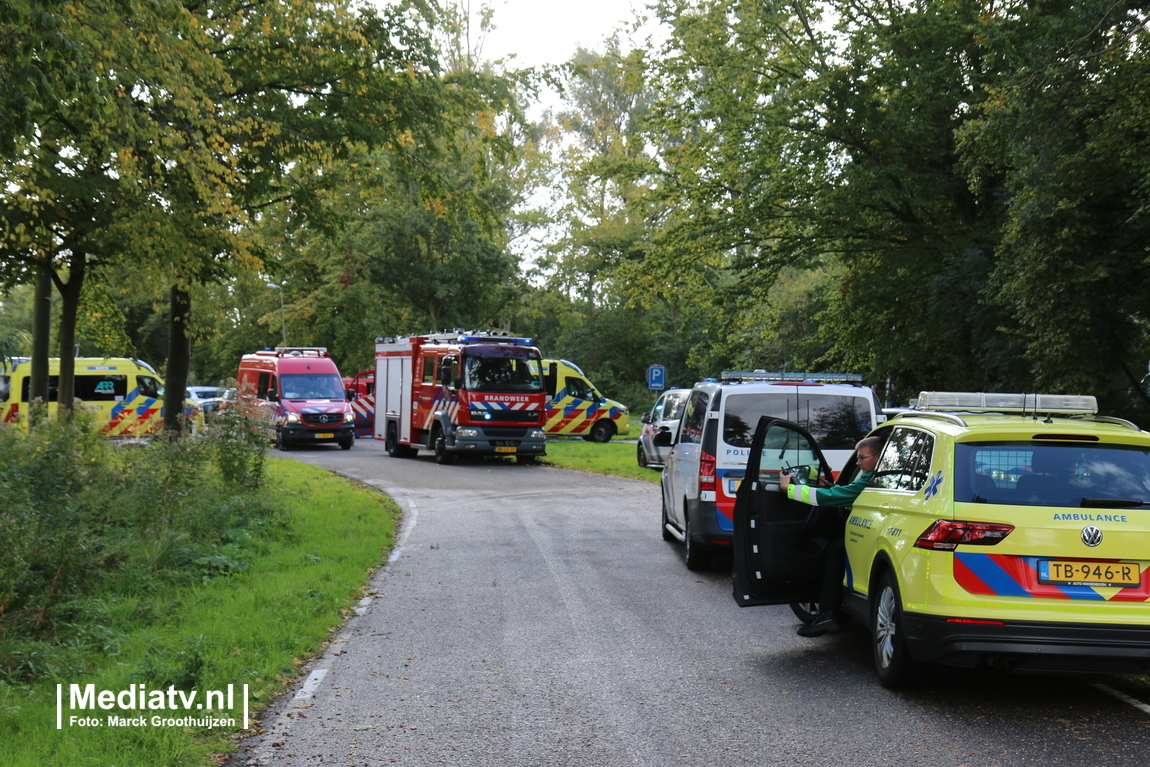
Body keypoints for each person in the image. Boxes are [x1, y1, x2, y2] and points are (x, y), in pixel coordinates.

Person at [779, 435, 884, 637]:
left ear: (879, 457)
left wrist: (789, 488)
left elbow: (829, 498)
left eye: (863, 457)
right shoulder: (880, 476)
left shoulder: (872, 478)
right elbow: (852, 496)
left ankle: (829, 613)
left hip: (874, 535)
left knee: (837, 548)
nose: (858, 462)